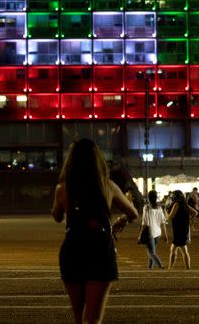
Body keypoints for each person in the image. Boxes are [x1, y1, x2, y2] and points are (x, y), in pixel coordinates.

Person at [52, 138, 138, 324]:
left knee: (78, 317)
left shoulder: (63, 189)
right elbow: (133, 213)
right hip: (100, 249)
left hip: (73, 249)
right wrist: (121, 220)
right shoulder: (108, 186)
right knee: (92, 319)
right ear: (97, 160)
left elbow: (57, 216)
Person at [167, 190, 197, 270]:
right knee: (181, 249)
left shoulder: (176, 204)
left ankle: (171, 268)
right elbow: (195, 213)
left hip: (178, 230)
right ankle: (186, 268)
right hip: (184, 229)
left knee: (176, 250)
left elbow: (170, 217)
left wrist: (166, 211)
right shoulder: (185, 205)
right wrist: (190, 221)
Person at [139, 190, 168, 270]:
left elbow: (145, 223)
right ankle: (150, 268)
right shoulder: (159, 208)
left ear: (148, 198)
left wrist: (140, 235)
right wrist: (165, 234)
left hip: (150, 233)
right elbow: (163, 222)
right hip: (158, 233)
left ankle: (159, 265)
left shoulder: (146, 208)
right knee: (152, 251)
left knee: (151, 252)